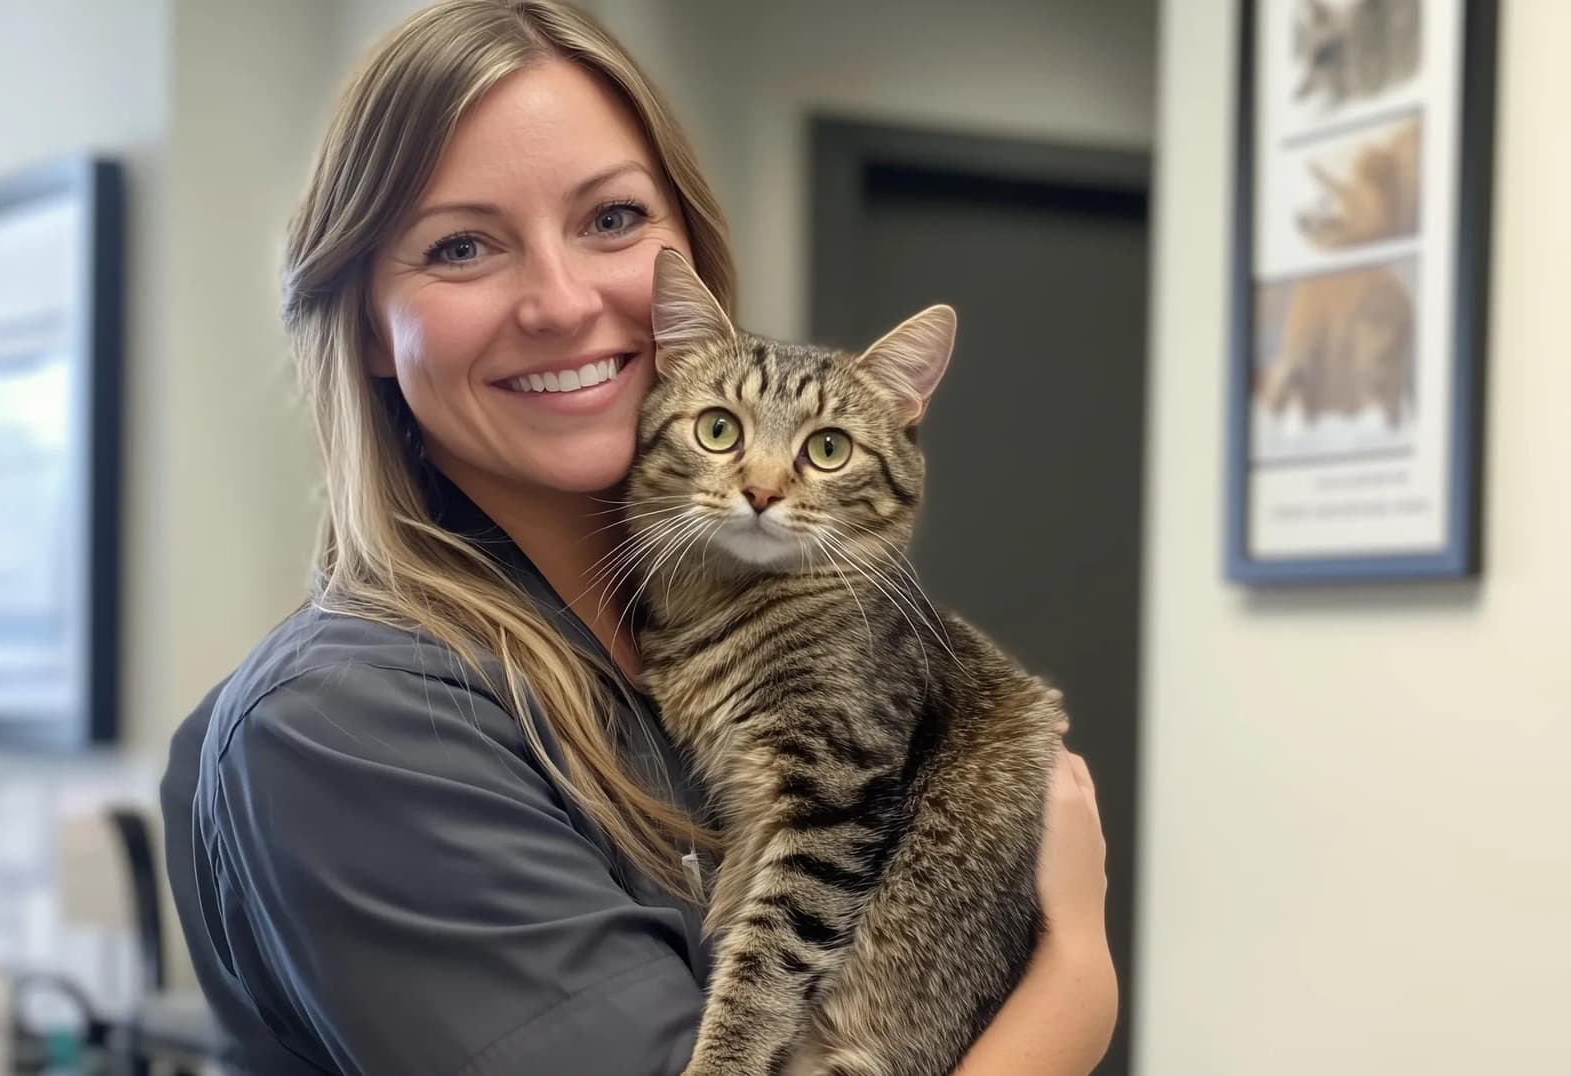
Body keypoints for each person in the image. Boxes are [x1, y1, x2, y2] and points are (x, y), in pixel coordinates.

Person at [158, 2, 1119, 1073]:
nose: (562, 302)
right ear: (369, 322)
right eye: (462, 245)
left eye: (610, 219)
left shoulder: (662, 635)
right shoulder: (345, 728)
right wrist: (1076, 982)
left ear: (686, 266)